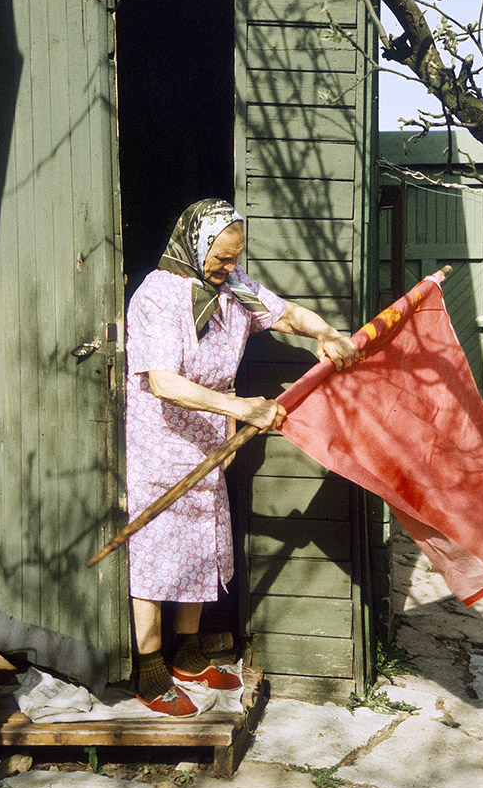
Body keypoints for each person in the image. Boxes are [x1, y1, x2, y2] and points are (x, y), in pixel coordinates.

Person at [125, 198, 360, 715]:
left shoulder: (233, 288)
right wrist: (239, 406)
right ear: (195, 243)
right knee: (156, 547)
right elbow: (163, 381)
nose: (229, 269)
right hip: (159, 438)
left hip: (209, 431)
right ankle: (149, 669)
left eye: (235, 259)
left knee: (202, 542)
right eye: (222, 259)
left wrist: (326, 332)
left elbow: (288, 314)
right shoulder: (157, 297)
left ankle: (188, 656)